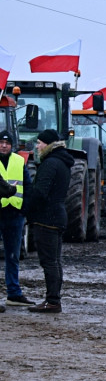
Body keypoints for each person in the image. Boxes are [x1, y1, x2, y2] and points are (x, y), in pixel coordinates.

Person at [23, 129, 74, 313]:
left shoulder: (50, 163)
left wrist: (27, 210)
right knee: (55, 260)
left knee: (49, 262)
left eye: (39, 143)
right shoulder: (62, 162)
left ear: (48, 144)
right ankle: (53, 299)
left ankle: (52, 301)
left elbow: (40, 193)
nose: (37, 146)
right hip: (58, 216)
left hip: (47, 218)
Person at [0, 130, 32, 312]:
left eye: (7, 143)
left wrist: (24, 209)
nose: (3, 145)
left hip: (14, 213)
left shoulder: (19, 161)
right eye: (1, 142)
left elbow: (27, 186)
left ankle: (13, 292)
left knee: (13, 256)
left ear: (11, 145)